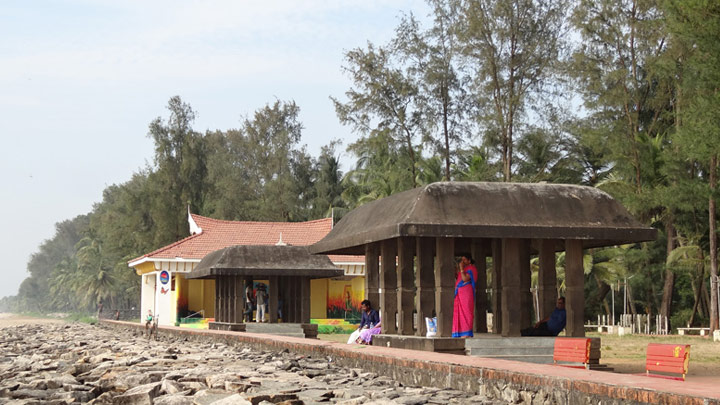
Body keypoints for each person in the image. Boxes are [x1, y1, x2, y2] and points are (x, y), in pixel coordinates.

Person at [452, 253, 478, 338]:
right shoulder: (464, 269)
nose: (462, 261)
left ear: (469, 260)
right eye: (462, 260)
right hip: (460, 293)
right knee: (459, 312)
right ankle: (459, 332)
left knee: (467, 312)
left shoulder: (472, 269)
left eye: (464, 260)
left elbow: (465, 279)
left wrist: (462, 269)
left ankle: (467, 333)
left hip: (467, 293)